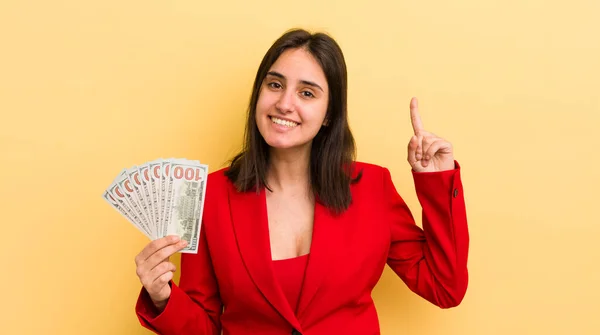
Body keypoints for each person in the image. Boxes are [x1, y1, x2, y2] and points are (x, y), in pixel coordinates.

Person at [133, 28, 469, 335]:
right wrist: (163, 297)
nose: (284, 103)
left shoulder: (372, 187)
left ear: (330, 115)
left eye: (307, 93)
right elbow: (204, 327)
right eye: (275, 84)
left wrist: (436, 182)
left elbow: (444, 287)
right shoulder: (210, 196)